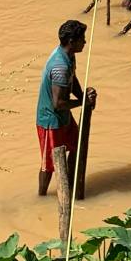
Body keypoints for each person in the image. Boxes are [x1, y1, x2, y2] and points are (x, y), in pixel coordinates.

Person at [36, 19, 97, 196]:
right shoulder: (59, 66)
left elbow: (73, 79)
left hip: (63, 116)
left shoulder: (69, 56)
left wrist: (82, 96)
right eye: (82, 39)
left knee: (76, 145)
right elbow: (59, 103)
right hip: (50, 121)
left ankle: (69, 183)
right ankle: (41, 196)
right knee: (48, 165)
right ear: (72, 41)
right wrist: (82, 103)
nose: (85, 42)